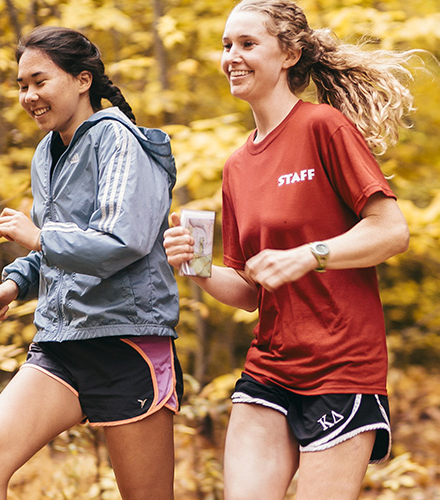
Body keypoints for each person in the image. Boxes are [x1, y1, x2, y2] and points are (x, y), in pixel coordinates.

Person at [163, 1, 418, 498]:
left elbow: (391, 231)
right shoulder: (237, 165)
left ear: (289, 55)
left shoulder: (323, 126)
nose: (232, 56)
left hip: (342, 366)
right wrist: (197, 267)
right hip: (270, 366)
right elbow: (249, 291)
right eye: (226, 45)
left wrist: (309, 255)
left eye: (247, 43)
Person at [0, 26, 181, 500]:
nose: (29, 96)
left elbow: (122, 241)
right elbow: (59, 249)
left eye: (40, 81)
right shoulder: (46, 153)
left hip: (126, 343)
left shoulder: (119, 141)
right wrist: (17, 282)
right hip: (61, 342)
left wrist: (38, 237)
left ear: (83, 80)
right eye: (22, 85)